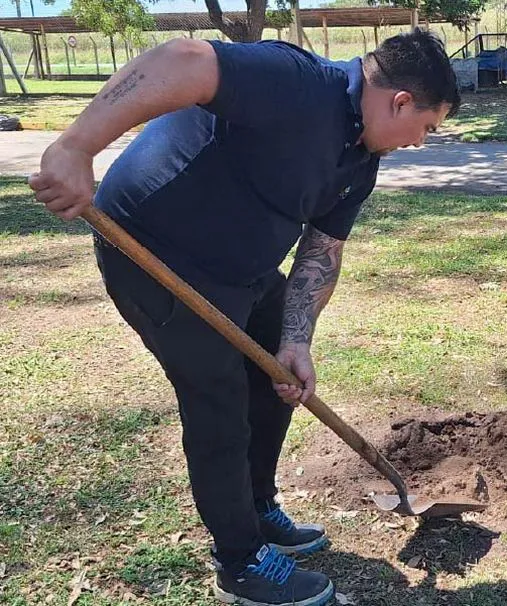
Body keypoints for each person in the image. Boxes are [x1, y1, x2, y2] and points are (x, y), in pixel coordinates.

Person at [29, 30, 459, 606]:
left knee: (278, 379)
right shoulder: (299, 84)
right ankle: (239, 560)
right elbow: (181, 61)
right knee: (218, 398)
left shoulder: (361, 160)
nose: (420, 142)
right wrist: (75, 147)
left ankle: (256, 507)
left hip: (242, 274)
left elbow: (321, 250)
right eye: (427, 128)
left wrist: (296, 340)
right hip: (154, 256)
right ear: (400, 101)